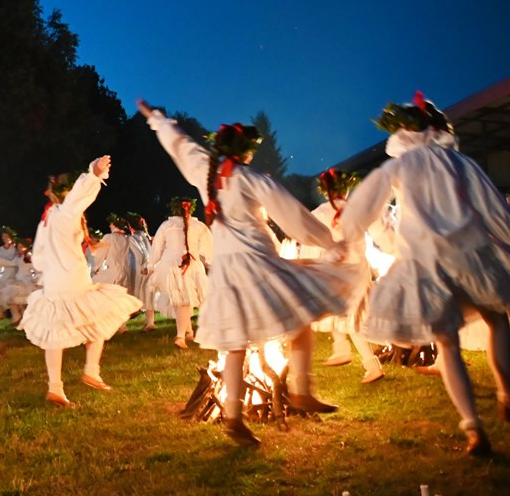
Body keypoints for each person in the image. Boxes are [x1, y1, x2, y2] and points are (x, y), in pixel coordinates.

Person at [139, 99, 356, 446]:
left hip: (227, 272)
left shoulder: (205, 173)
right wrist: (329, 242)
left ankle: (235, 417)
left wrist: (157, 120)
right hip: (258, 264)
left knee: (236, 343)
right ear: (245, 152)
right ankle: (302, 389)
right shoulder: (251, 179)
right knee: (300, 315)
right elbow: (292, 215)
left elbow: (181, 146)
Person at [341, 92, 510, 455]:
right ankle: (506, 390)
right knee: (496, 318)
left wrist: (348, 236)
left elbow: (364, 206)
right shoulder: (459, 162)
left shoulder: (399, 167)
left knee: (448, 344)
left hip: (428, 263)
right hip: (471, 254)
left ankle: (473, 427)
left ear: (402, 134)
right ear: (435, 129)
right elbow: (493, 206)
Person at [18, 156, 142, 407]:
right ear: (68, 191)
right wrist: (94, 174)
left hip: (53, 283)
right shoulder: (65, 212)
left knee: (56, 333)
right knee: (98, 316)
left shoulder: (48, 217)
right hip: (72, 279)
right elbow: (79, 197)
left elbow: (39, 255)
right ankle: (91, 371)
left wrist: (47, 272)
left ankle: (56, 387)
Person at [299, 169, 384, 384]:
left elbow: (310, 238)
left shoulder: (321, 212)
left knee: (346, 316)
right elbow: (375, 234)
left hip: (340, 271)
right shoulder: (356, 209)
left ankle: (370, 364)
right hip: (356, 269)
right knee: (337, 311)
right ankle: (342, 349)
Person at [148, 198, 213, 346]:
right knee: (184, 300)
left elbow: (157, 247)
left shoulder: (166, 225)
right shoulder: (199, 226)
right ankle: (180, 336)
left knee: (181, 300)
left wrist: (152, 264)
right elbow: (209, 246)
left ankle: (188, 332)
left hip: (170, 265)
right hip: (190, 266)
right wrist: (210, 262)